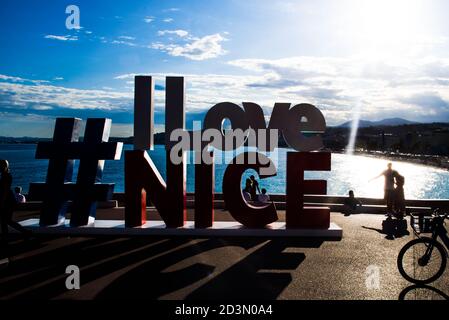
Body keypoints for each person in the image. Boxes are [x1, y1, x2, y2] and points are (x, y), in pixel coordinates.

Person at [0, 160, 31, 246]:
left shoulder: (6, 176)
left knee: (6, 220)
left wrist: (2, 202)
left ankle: (24, 232)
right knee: (5, 221)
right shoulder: (4, 175)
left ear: (6, 166)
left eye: (1, 165)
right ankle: (7, 237)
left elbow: (5, 190)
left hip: (7, 202)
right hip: (7, 201)